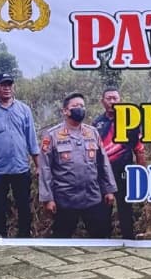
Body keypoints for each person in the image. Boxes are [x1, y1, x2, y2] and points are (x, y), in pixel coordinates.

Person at [38, 92, 117, 239]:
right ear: (65, 111)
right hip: (65, 199)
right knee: (61, 241)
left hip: (92, 197)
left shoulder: (92, 132)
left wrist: (109, 190)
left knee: (101, 238)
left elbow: (103, 163)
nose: (79, 109)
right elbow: (45, 169)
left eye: (82, 106)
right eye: (75, 106)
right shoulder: (52, 135)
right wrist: (48, 199)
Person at [0, 74, 40, 239]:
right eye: (3, 85)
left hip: (20, 166)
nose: (7, 88)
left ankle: (24, 236)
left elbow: (31, 139)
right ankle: (0, 238)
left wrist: (38, 165)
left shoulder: (24, 109)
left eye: (9, 85)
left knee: (24, 204)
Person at [92, 87, 147, 240]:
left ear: (120, 100)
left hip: (124, 171)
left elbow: (139, 148)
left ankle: (128, 239)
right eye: (108, 98)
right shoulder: (97, 123)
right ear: (102, 101)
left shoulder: (130, 121)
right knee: (103, 208)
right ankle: (104, 241)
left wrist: (143, 171)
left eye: (115, 98)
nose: (112, 101)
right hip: (103, 173)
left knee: (125, 208)